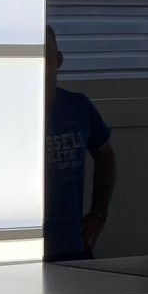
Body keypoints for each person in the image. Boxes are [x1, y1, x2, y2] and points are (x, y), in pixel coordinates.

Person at [44, 24, 117, 260]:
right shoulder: (8, 112)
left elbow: (105, 156)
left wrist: (99, 214)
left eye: (45, 57)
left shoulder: (78, 107)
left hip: (71, 240)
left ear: (58, 60)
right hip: (21, 243)